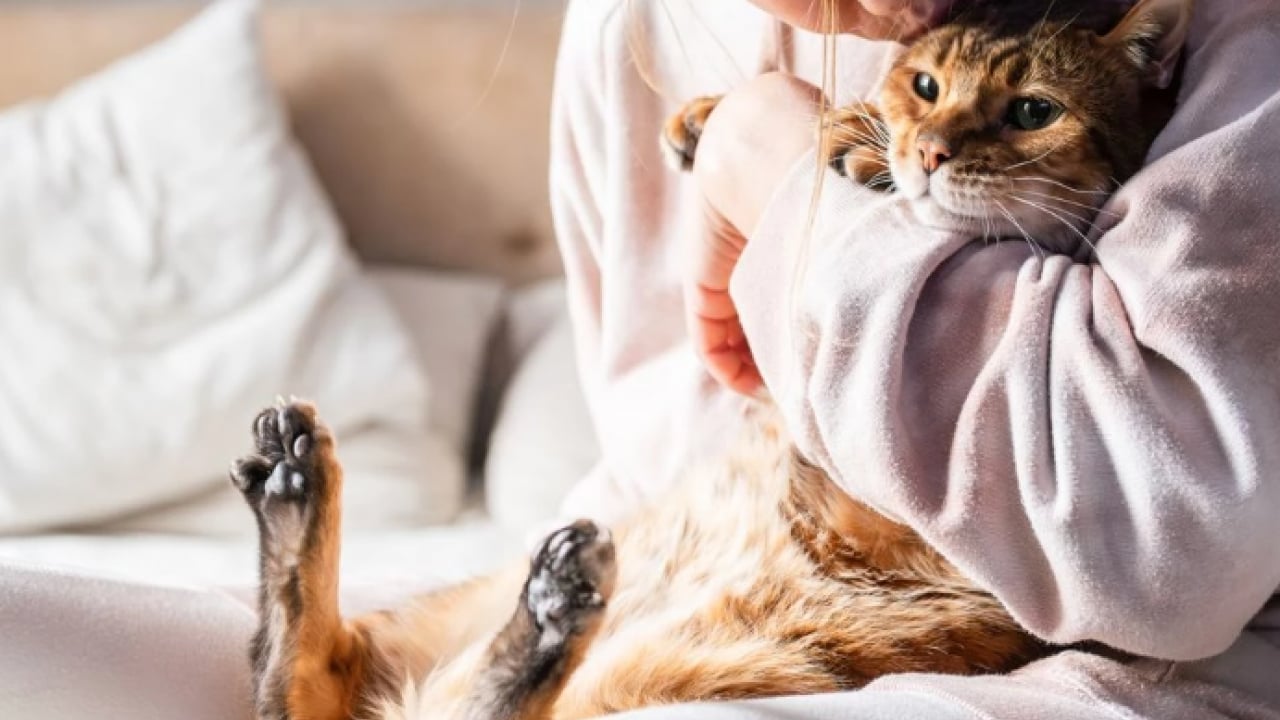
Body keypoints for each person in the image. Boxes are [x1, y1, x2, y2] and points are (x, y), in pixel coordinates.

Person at [548, 0, 1280, 717]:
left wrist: (780, 171)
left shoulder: (1239, 43)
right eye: (926, 90)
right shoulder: (627, 28)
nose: (938, 144)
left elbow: (1173, 548)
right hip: (680, 577)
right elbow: (651, 455)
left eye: (1028, 115)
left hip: (1085, 663)